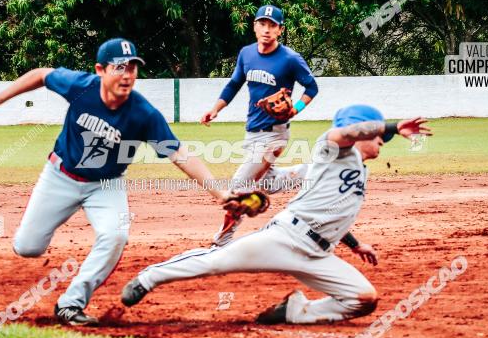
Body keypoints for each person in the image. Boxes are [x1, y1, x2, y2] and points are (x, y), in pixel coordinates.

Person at [0, 38, 230, 326]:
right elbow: (41, 74)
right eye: (119, 67)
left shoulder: (143, 114)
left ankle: (70, 304)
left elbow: (180, 154)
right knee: (28, 247)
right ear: (100, 70)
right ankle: (34, 247)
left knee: (115, 235)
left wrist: (219, 192)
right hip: (60, 176)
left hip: (106, 185)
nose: (127, 75)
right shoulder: (81, 86)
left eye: (133, 67)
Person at [120, 105, 433, 325]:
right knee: (217, 262)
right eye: (379, 134)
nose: (382, 140)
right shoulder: (332, 149)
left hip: (318, 254)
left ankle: (295, 312)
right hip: (287, 238)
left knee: (364, 298)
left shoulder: (359, 171)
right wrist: (392, 125)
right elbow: (343, 132)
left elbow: (332, 212)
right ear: (362, 130)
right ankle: (149, 277)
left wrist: (354, 245)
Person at [200, 4, 319, 246]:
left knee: (239, 185)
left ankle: (223, 239)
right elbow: (234, 84)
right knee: (268, 183)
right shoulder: (246, 54)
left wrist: (295, 108)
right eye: (262, 24)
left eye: (272, 25)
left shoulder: (290, 59)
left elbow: (312, 87)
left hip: (275, 134)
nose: (266, 29)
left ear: (280, 30)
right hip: (252, 131)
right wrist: (215, 109)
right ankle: (312, 171)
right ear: (254, 26)